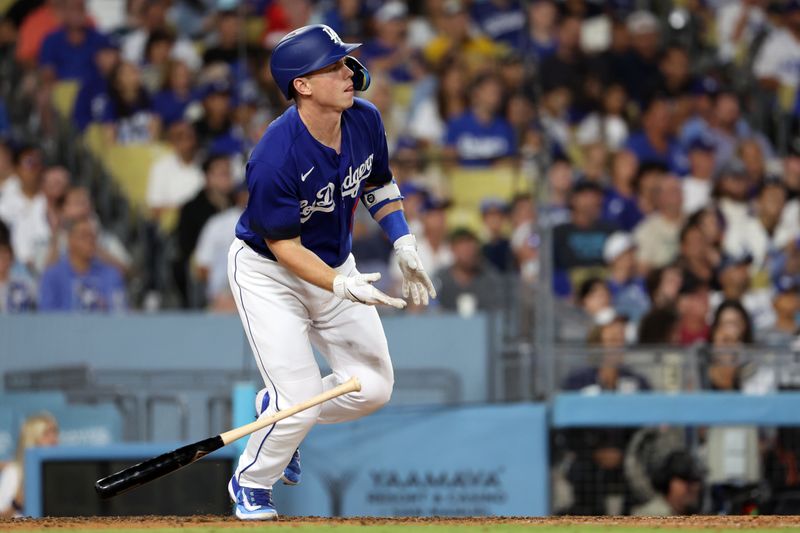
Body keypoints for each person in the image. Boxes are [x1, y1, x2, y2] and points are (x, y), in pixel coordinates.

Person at [226, 25, 435, 520]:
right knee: (296, 393)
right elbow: (282, 247)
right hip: (269, 273)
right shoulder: (275, 154)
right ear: (302, 84)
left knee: (374, 387)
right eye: (334, 65)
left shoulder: (364, 119)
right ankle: (252, 481)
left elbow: (379, 186)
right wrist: (340, 283)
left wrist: (402, 240)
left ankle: (280, 416)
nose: (349, 71)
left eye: (346, 62)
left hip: (336, 264)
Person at [38, 215, 126, 312]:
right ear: (70, 240)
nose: (90, 241)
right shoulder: (52, 276)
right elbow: (47, 316)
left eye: (93, 236)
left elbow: (119, 314)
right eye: (84, 236)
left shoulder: (111, 274)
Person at [0, 412, 59, 517]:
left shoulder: (62, 470)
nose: (53, 438)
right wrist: (16, 504)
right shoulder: (14, 472)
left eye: (55, 432)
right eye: (46, 433)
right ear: (32, 438)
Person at [632, 450, 704, 516]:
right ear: (667, 482)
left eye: (695, 480)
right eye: (685, 479)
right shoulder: (648, 515)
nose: (693, 487)